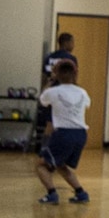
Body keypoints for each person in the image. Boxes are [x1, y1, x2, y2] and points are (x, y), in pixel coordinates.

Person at [35, 61, 91, 205]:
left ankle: (52, 194)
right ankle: (81, 193)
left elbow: (42, 100)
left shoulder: (52, 92)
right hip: (81, 134)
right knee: (60, 165)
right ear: (75, 73)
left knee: (41, 165)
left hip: (64, 134)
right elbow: (87, 105)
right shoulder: (82, 92)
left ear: (57, 73)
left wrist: (50, 81)